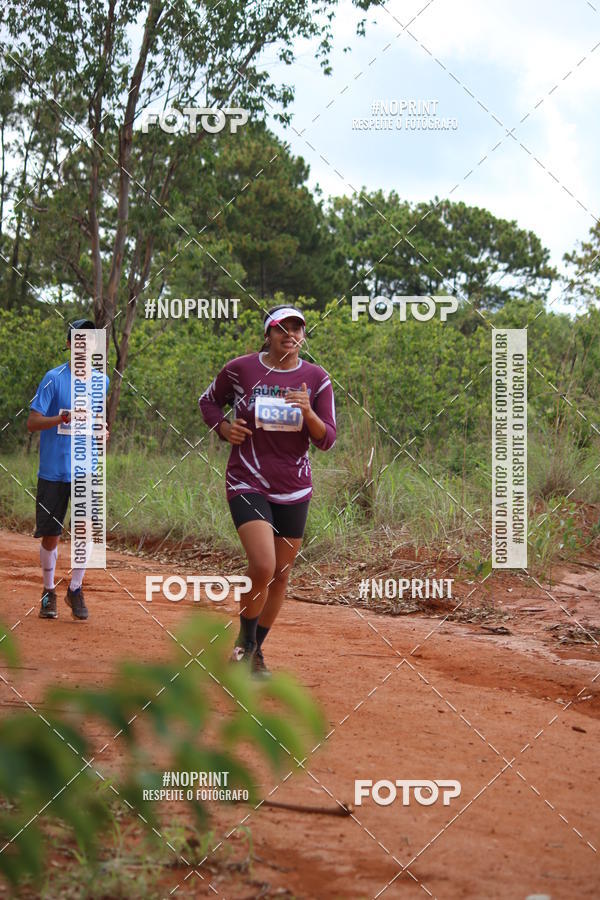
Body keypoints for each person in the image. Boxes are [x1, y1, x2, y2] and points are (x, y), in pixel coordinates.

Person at [199, 304, 336, 676]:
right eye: (282, 328)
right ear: (268, 333)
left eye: (297, 329)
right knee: (263, 565)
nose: (290, 335)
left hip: (294, 487)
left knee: (281, 575)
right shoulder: (241, 369)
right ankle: (244, 645)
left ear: (303, 335)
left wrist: (308, 413)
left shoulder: (317, 378)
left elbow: (328, 440)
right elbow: (208, 401)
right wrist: (225, 429)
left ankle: (254, 652)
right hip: (247, 480)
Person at [27, 319, 109, 621]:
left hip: (85, 468)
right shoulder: (53, 379)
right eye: (78, 340)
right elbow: (32, 422)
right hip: (53, 470)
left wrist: (102, 430)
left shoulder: (102, 381)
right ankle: (48, 591)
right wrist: (61, 418)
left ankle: (75, 589)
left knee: (86, 531)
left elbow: (97, 420)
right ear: (69, 344)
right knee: (51, 536)